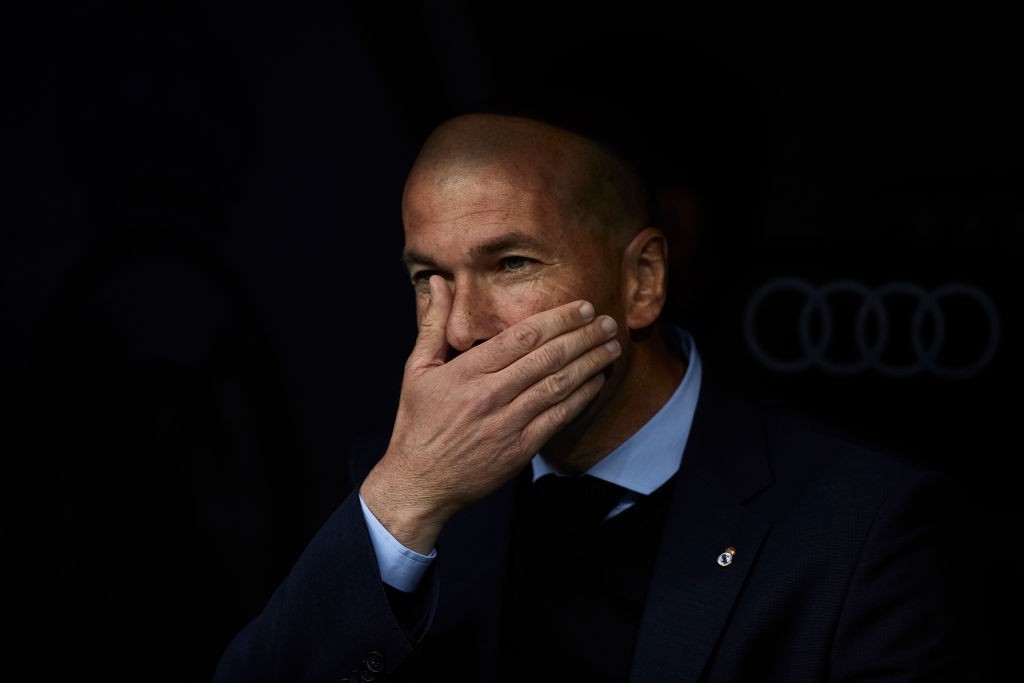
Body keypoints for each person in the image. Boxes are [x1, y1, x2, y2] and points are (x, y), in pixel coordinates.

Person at [211, 109, 991, 682]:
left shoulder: (864, 525)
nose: (462, 328)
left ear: (642, 281)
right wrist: (403, 499)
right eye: (429, 278)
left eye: (512, 264)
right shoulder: (407, 486)